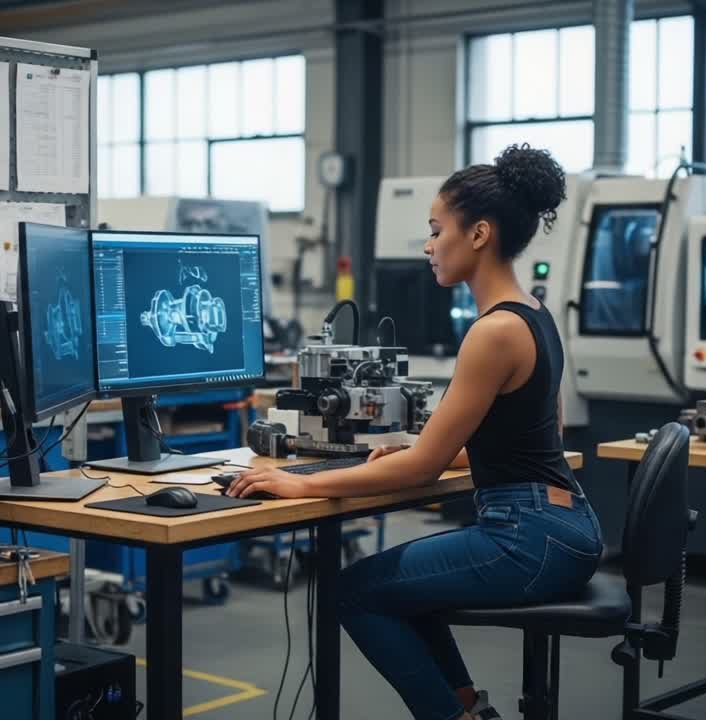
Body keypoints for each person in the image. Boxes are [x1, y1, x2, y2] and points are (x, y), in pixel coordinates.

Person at [228, 144, 603, 720]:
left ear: (478, 234)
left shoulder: (493, 332)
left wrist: (298, 485)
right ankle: (466, 707)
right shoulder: (534, 313)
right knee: (408, 586)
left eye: (436, 229)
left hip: (526, 537)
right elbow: (532, 440)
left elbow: (425, 468)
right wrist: (414, 451)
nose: (429, 245)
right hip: (565, 524)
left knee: (351, 591)